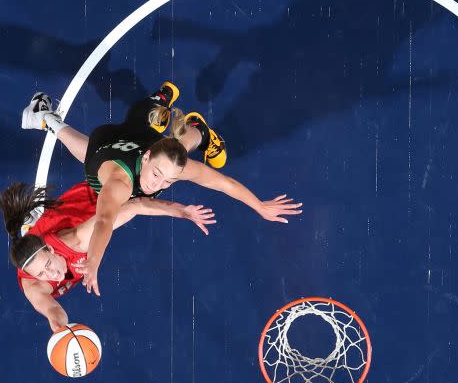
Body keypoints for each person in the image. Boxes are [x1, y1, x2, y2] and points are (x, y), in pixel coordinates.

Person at [21, 82, 303, 296]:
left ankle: (195, 127)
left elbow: (223, 183)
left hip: (132, 148)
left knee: (176, 145)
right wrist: (93, 261)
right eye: (156, 175)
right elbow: (105, 221)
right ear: (146, 159)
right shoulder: (119, 184)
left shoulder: (169, 164)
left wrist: (260, 206)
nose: (157, 185)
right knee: (120, 136)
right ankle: (170, 111)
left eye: (167, 182)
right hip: (104, 147)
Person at [0, 179, 215, 332]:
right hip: (50, 229)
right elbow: (51, 309)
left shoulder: (76, 240)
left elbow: (134, 206)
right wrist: (60, 327)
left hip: (101, 190)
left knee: (163, 171)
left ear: (52, 250)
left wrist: (181, 211)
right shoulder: (34, 285)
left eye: (49, 264)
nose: (51, 273)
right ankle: (32, 227)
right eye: (42, 274)